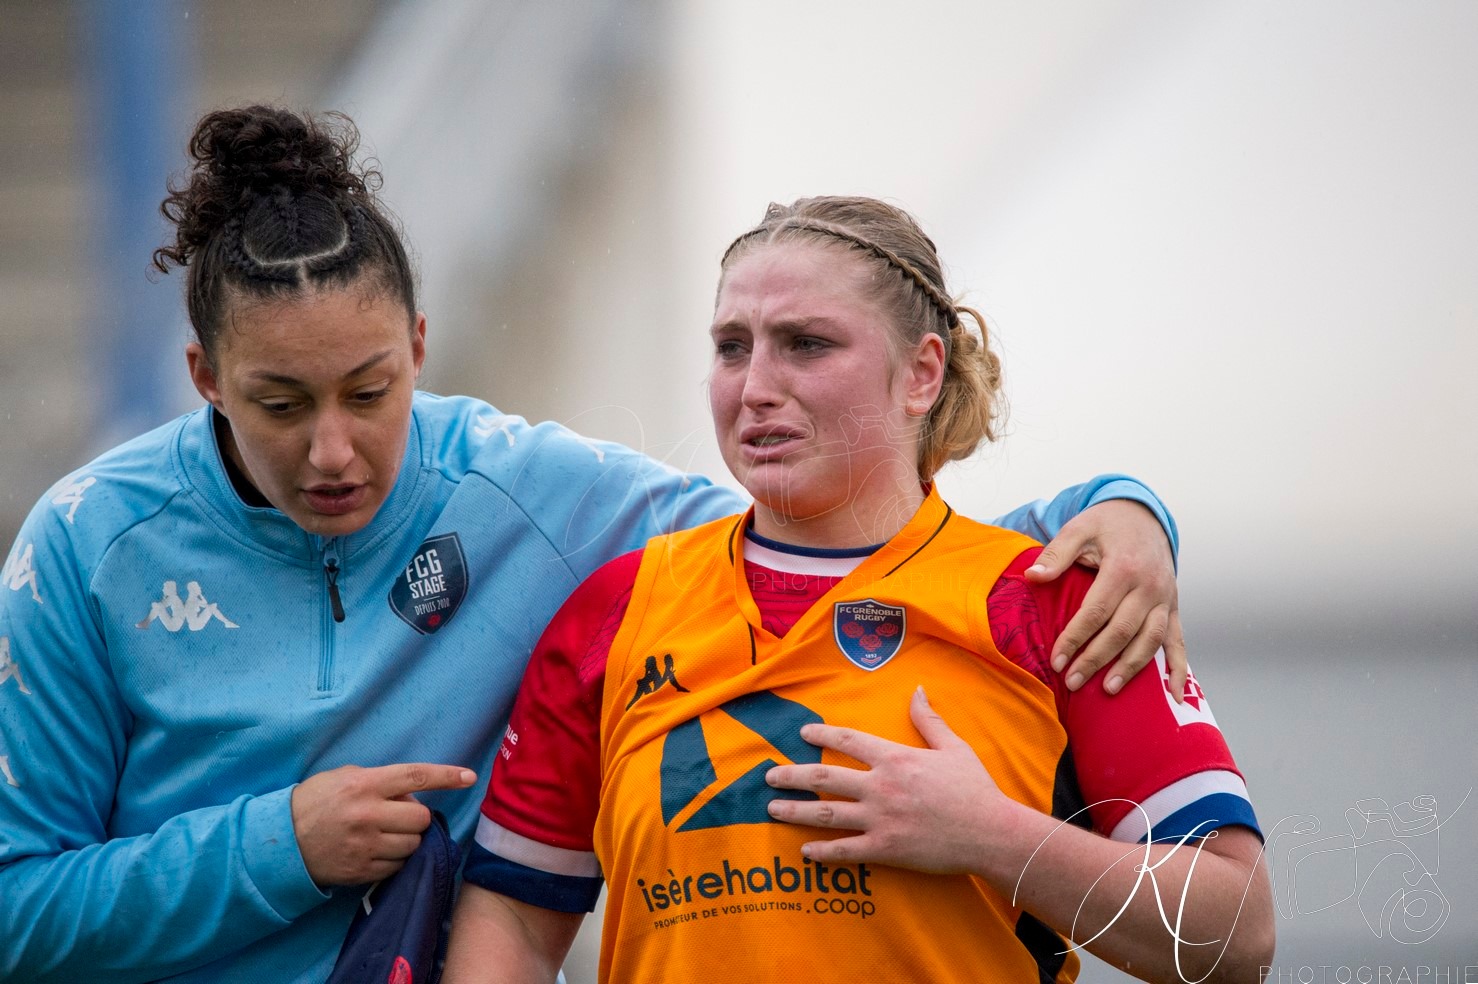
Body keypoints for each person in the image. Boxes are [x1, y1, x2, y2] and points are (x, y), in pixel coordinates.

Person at [0, 108, 1179, 984]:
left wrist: (1120, 510)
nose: (332, 450)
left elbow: (832, 534)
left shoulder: (530, 493)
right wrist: (279, 847)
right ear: (202, 376)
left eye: (370, 391)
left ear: (419, 342)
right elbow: (15, 909)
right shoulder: (84, 545)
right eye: (277, 404)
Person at [444, 197, 1274, 983]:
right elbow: (514, 925)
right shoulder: (616, 608)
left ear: (921, 374)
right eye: (733, 346)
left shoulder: (1053, 600)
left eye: (805, 343)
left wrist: (991, 836)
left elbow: (1237, 933)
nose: (755, 385)